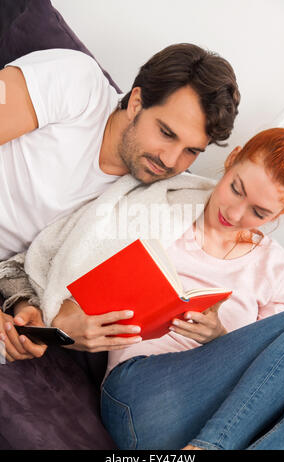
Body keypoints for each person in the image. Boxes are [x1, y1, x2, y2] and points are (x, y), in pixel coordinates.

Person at [0, 43, 240, 363]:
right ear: (137, 102)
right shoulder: (75, 81)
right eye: (166, 132)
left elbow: (32, 267)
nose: (170, 160)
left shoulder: (142, 201)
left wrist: (27, 312)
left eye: (191, 151)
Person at [98, 126, 284, 450]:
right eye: (236, 189)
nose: (234, 214)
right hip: (139, 397)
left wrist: (219, 338)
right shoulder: (166, 210)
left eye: (259, 213)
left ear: (282, 213)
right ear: (232, 159)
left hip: (215, 423)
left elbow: (269, 381)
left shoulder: (277, 269)